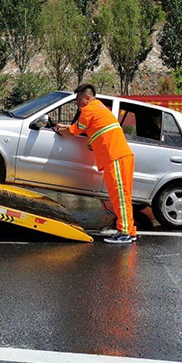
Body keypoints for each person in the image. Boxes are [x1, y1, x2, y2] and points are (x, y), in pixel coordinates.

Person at [55, 83, 137, 244]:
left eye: (78, 98)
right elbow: (90, 129)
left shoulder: (89, 109)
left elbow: (74, 131)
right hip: (116, 157)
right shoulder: (97, 109)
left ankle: (126, 232)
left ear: (87, 97)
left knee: (120, 197)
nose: (77, 102)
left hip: (116, 157)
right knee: (119, 196)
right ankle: (128, 230)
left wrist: (59, 129)